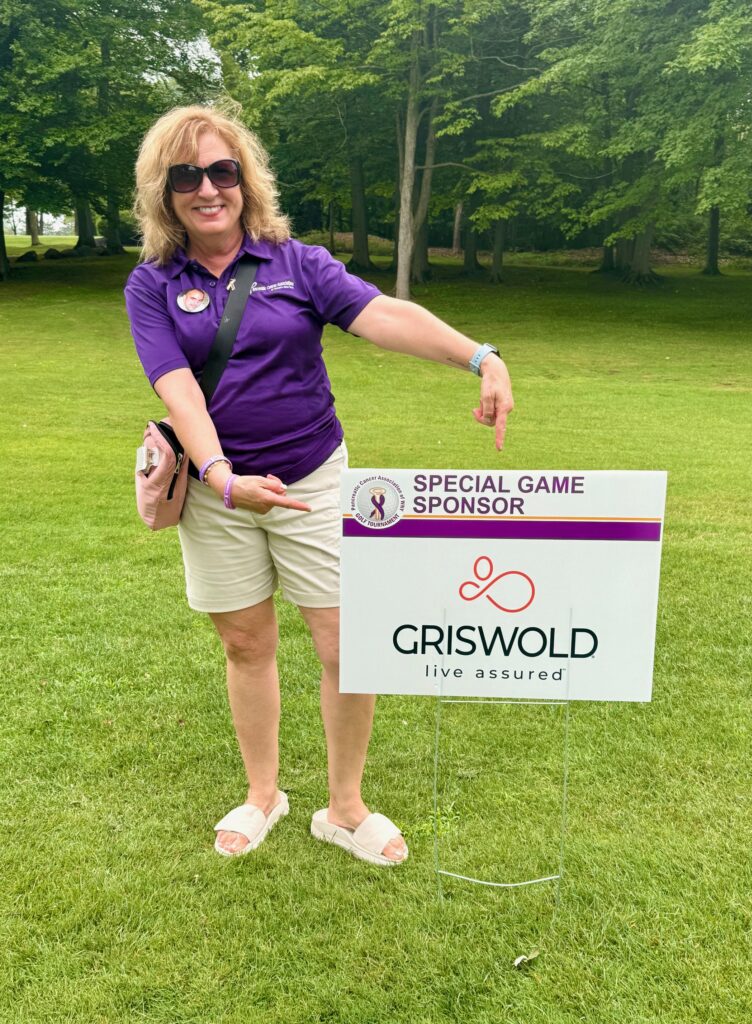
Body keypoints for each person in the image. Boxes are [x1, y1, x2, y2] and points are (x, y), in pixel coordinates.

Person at [125, 104, 513, 867]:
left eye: (222, 171)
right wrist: (223, 478)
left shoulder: (296, 263)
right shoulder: (152, 284)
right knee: (246, 643)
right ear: (163, 193)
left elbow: (383, 315)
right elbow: (178, 390)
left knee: (348, 646)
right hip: (217, 492)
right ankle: (263, 794)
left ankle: (344, 808)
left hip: (313, 481)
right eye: (186, 176)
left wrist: (480, 356)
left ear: (245, 180)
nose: (207, 189)